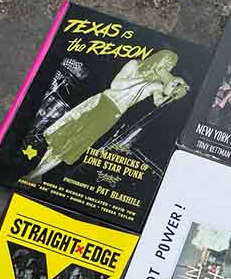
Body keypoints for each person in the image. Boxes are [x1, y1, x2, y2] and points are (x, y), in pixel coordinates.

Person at [25, 50, 189, 181]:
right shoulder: (134, 65)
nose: (168, 66)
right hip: (100, 102)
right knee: (62, 136)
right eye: (167, 61)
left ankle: (35, 175)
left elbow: (158, 102)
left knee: (73, 144)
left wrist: (174, 93)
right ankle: (38, 172)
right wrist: (143, 80)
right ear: (158, 59)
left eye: (171, 65)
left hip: (112, 114)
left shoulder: (157, 85)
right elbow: (116, 84)